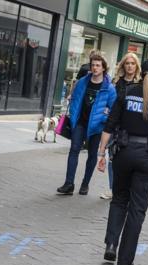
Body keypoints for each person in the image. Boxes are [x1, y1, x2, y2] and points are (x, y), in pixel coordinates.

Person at [96, 58, 148, 265]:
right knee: (137, 211)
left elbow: (110, 125)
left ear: (141, 74)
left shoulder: (127, 92)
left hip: (123, 153)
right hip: (147, 158)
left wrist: (101, 154)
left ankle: (111, 244)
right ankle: (125, 262)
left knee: (119, 200)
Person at [57, 54, 117, 195]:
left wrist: (104, 116)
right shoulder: (83, 82)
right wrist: (73, 116)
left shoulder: (109, 88)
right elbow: (75, 99)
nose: (95, 68)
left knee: (92, 155)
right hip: (80, 123)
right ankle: (69, 183)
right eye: (93, 65)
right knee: (73, 150)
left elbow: (114, 109)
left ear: (103, 68)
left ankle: (85, 184)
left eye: (98, 65)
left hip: (97, 127)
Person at [100, 53, 142, 200]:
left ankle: (127, 188)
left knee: (128, 158)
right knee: (112, 157)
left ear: (137, 66)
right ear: (123, 65)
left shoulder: (141, 84)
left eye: (133, 63)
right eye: (127, 63)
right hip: (115, 125)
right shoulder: (116, 83)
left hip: (132, 127)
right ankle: (113, 188)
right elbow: (108, 101)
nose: (130, 66)